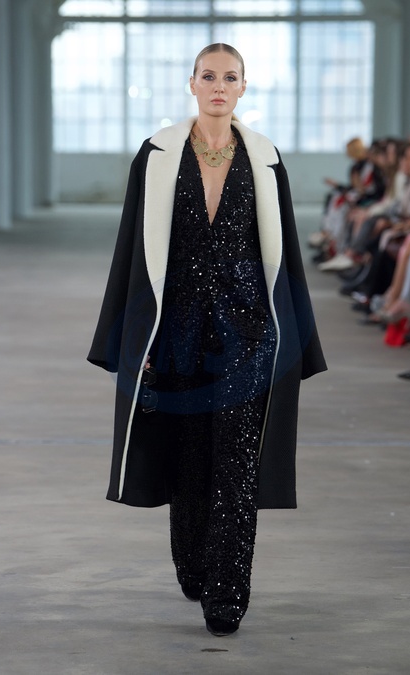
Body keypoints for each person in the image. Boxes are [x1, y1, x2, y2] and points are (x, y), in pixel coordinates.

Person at [87, 43, 327, 637]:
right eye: (209, 76)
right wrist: (129, 338)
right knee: (190, 458)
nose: (219, 86)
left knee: (238, 465)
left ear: (243, 87)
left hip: (249, 333)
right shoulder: (157, 156)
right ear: (191, 83)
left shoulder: (266, 158)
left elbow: (284, 254)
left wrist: (296, 337)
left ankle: (227, 594)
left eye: (230, 77)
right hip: (177, 333)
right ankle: (194, 565)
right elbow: (132, 249)